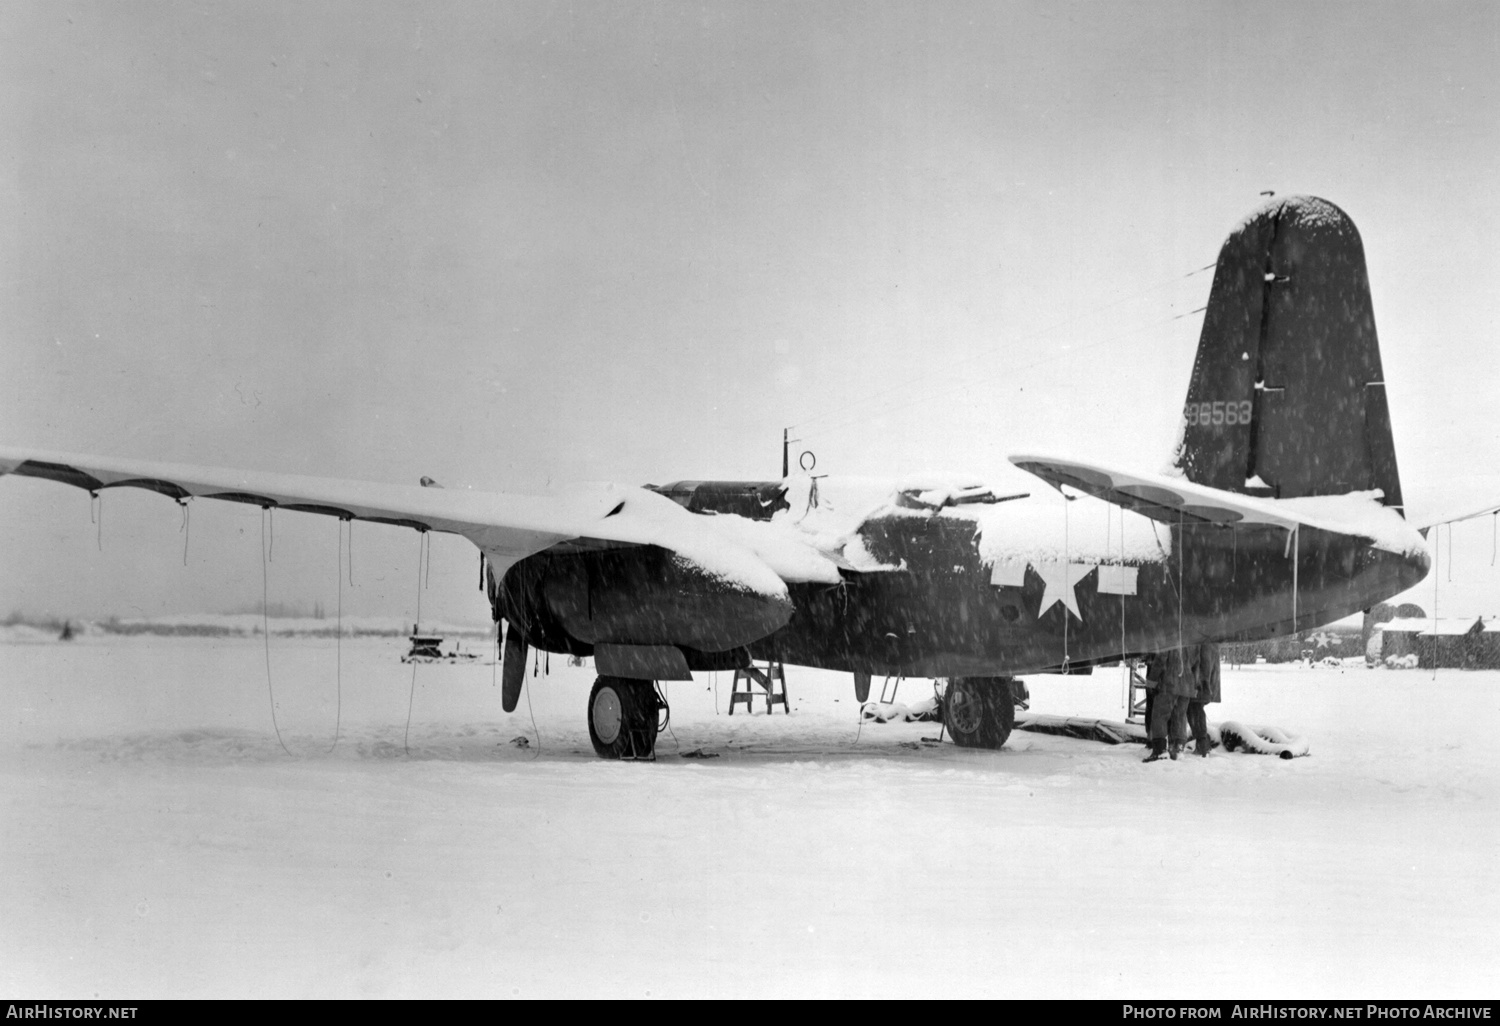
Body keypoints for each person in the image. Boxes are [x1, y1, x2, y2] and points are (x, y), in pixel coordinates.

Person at [1143, 645, 1195, 762]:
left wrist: (1151, 681)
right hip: (1187, 684)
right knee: (1180, 717)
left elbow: (1161, 659)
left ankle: (1160, 751)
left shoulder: (1170, 634)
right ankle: (1177, 750)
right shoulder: (1193, 637)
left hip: (1169, 683)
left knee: (1160, 716)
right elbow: (1197, 661)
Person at [1187, 641, 1221, 756]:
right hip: (1205, 684)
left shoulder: (1204, 642)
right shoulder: (1209, 641)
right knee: (1195, 712)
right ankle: (1203, 744)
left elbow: (1204, 664)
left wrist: (1199, 683)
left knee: (1195, 712)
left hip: (1200, 685)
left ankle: (1202, 746)